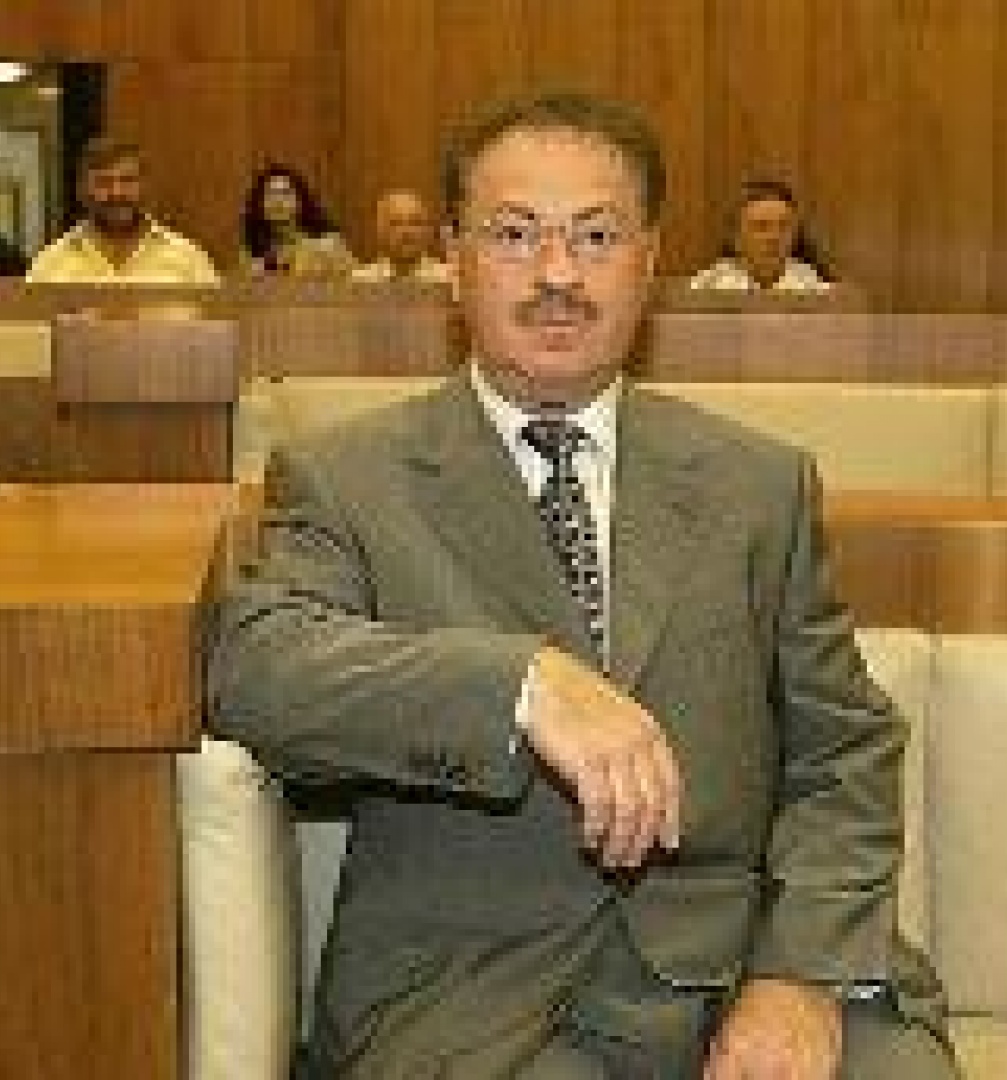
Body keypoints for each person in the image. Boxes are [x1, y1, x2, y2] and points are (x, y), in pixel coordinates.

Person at [209, 90, 957, 1079]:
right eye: (515, 235)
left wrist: (799, 975)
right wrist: (522, 687)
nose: (558, 274)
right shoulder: (347, 477)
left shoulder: (758, 484)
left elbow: (846, 752)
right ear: (455, 260)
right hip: (476, 992)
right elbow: (260, 667)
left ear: (649, 261)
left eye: (596, 237)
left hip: (743, 954)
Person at [26, 137, 218, 284]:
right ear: (83, 190)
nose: (116, 193)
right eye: (103, 182)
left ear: (144, 186)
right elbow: (29, 324)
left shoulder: (189, 260)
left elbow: (217, 322)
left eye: (127, 181)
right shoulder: (50, 264)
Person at [690, 177, 833, 293]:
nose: (774, 237)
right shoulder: (704, 288)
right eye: (761, 226)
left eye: (783, 227)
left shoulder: (816, 289)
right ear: (736, 237)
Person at [239, 164, 359, 281]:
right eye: (271, 194)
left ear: (299, 200)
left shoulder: (324, 235)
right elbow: (247, 277)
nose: (278, 201)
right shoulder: (252, 242)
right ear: (259, 203)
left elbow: (349, 272)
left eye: (285, 193)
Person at [353, 188, 450, 283]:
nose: (406, 232)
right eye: (395, 223)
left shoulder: (446, 279)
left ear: (428, 229)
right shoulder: (362, 280)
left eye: (415, 222)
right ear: (380, 229)